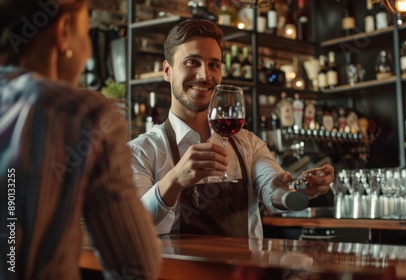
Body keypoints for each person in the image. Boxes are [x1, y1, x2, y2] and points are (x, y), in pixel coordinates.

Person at [128, 19, 334, 239]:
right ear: (167, 71)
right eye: (191, 62)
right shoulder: (142, 152)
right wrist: (175, 180)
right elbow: (129, 226)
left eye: (214, 65)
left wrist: (296, 189)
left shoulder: (249, 144)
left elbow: (272, 190)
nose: (204, 75)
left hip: (244, 272)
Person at [0, 0, 161, 279]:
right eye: (86, 32)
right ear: (63, 32)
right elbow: (136, 268)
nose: (87, 50)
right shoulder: (83, 114)